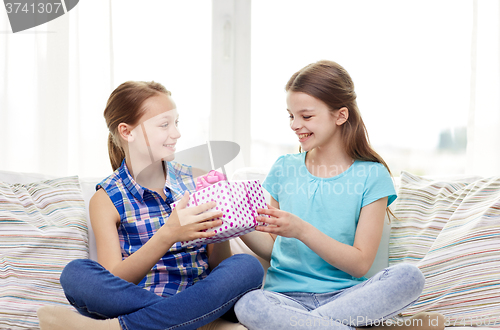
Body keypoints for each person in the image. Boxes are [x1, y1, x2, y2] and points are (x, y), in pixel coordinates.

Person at [234, 60, 445, 330]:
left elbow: (359, 264)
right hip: (284, 300)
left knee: (409, 276)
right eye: (291, 115)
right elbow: (274, 246)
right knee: (249, 304)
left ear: (340, 116)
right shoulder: (284, 168)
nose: (295, 125)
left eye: (306, 116)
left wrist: (300, 229)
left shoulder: (372, 175)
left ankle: (311, 325)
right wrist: (234, 222)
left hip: (347, 298)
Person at [37, 81, 264, 330]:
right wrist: (168, 235)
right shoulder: (107, 198)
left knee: (246, 266)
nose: (176, 134)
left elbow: (217, 267)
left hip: (203, 293)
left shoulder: (196, 178)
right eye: (164, 125)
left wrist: (221, 228)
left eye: (176, 123)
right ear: (127, 132)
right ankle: (196, 323)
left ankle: (123, 327)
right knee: (76, 274)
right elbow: (115, 278)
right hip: (141, 298)